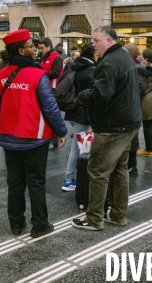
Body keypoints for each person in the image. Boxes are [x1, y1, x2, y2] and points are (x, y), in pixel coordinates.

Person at [0, 29, 67, 238]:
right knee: (36, 181)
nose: (34, 49)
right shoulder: (37, 75)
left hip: (9, 137)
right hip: (35, 138)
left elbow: (0, 106)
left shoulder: (1, 75)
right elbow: (50, 107)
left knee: (15, 182)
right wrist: (61, 131)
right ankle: (40, 225)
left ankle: (16, 224)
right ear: (21, 50)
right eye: (30, 46)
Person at [71, 26, 141, 231]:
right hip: (128, 124)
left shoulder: (109, 62)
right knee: (119, 170)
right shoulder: (124, 56)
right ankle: (118, 215)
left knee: (98, 171)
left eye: (96, 40)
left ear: (109, 40)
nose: (93, 43)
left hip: (112, 126)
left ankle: (94, 219)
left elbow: (100, 95)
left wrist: (81, 96)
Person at [62, 43, 96, 191]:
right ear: (93, 54)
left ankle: (72, 178)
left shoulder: (74, 65)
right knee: (79, 149)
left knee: (78, 148)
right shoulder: (91, 69)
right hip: (82, 113)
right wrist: (91, 120)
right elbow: (90, 96)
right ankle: (69, 180)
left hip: (72, 110)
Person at [123, 44, 151, 174]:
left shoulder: (137, 68)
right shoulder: (129, 66)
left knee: (132, 136)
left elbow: (141, 90)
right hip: (129, 106)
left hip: (133, 107)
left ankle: (132, 165)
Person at [38, 38, 64, 150]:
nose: (40, 50)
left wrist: (40, 73)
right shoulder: (45, 57)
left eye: (42, 48)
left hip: (53, 89)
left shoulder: (57, 57)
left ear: (48, 46)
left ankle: (54, 141)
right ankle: (49, 138)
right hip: (45, 87)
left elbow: (55, 73)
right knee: (45, 115)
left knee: (51, 114)